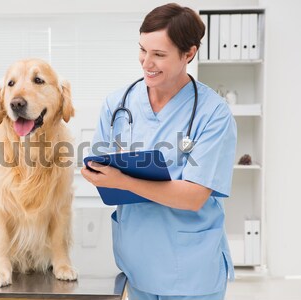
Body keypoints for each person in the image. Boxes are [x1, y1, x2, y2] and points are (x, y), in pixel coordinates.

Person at [81, 3, 237, 300]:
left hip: (192, 271)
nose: (146, 63)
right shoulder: (117, 104)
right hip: (138, 264)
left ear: (188, 53)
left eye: (159, 55)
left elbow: (193, 196)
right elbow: (99, 168)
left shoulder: (213, 114)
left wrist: (123, 181)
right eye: (143, 50)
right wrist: (97, 175)